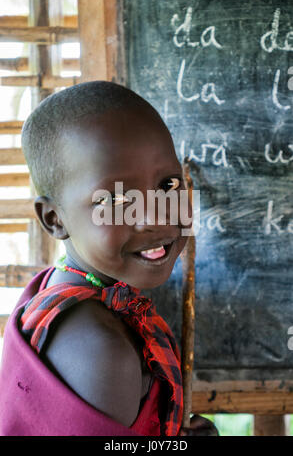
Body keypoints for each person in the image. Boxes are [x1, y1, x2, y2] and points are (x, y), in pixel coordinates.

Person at [0, 81, 218, 436]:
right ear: (54, 219)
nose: (156, 217)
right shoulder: (102, 351)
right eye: (115, 201)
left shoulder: (52, 287)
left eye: (168, 186)